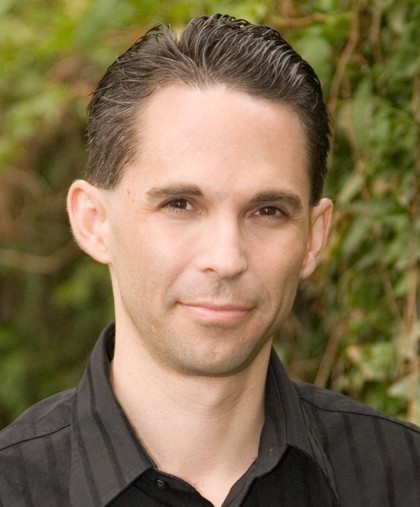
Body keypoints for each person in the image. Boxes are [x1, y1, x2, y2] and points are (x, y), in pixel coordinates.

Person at [0, 13, 419, 507]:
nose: (226, 258)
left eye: (268, 211)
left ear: (314, 236)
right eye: (180, 204)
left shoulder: (403, 478)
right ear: (94, 222)